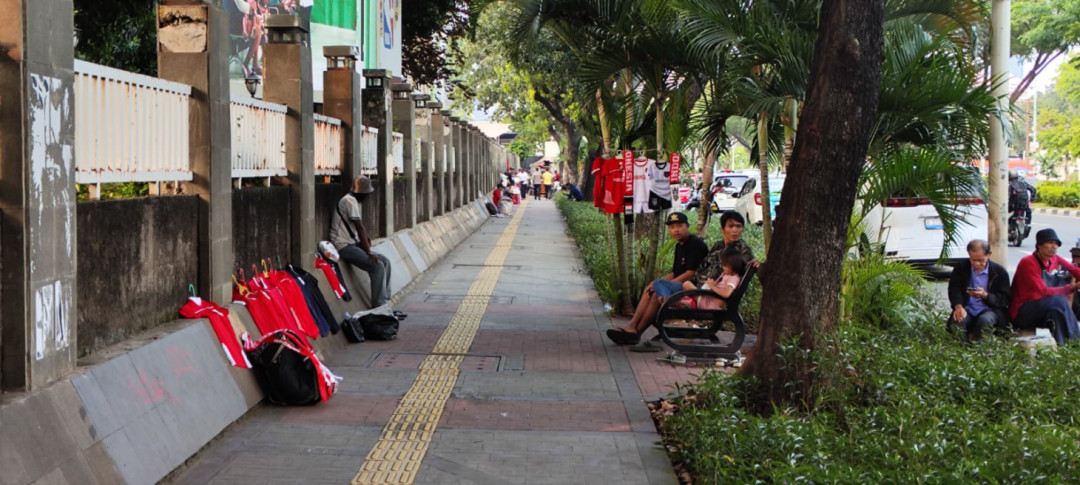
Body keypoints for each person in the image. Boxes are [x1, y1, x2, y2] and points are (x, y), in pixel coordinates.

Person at [606, 212, 709, 346]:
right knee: (650, 288)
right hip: (680, 284)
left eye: (680, 226)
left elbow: (690, 274)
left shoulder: (696, 244)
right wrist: (656, 282)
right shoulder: (679, 246)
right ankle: (632, 327)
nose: (676, 230)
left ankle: (637, 333)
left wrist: (665, 285)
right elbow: (675, 272)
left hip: (691, 288)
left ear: (687, 226)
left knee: (656, 295)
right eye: (672, 227)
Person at [329, 176, 392, 308]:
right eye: (367, 194)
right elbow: (359, 226)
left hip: (352, 243)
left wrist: (364, 242)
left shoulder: (353, 201)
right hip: (343, 245)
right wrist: (368, 251)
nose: (368, 197)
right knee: (376, 266)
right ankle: (379, 306)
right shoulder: (349, 201)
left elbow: (358, 229)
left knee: (385, 261)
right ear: (362, 193)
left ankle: (385, 300)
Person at [1010, 228, 1080, 344]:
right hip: (1023, 311)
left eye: (1056, 244)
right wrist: (1072, 287)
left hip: (1043, 307)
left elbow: (1074, 270)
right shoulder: (1028, 262)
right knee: (1060, 301)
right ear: (1039, 246)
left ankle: (1068, 347)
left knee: (1057, 312)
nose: (1054, 246)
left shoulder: (1054, 259)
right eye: (1050, 243)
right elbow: (1043, 291)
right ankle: (1074, 342)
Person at [946, 239, 1011, 340]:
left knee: (985, 321)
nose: (976, 264)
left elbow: (1004, 299)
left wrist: (986, 296)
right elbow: (954, 289)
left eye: (981, 260)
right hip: (967, 308)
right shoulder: (961, 267)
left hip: (989, 309)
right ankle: (959, 350)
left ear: (989, 254)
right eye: (973, 260)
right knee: (958, 321)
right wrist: (958, 306)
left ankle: (983, 352)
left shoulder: (999, 272)